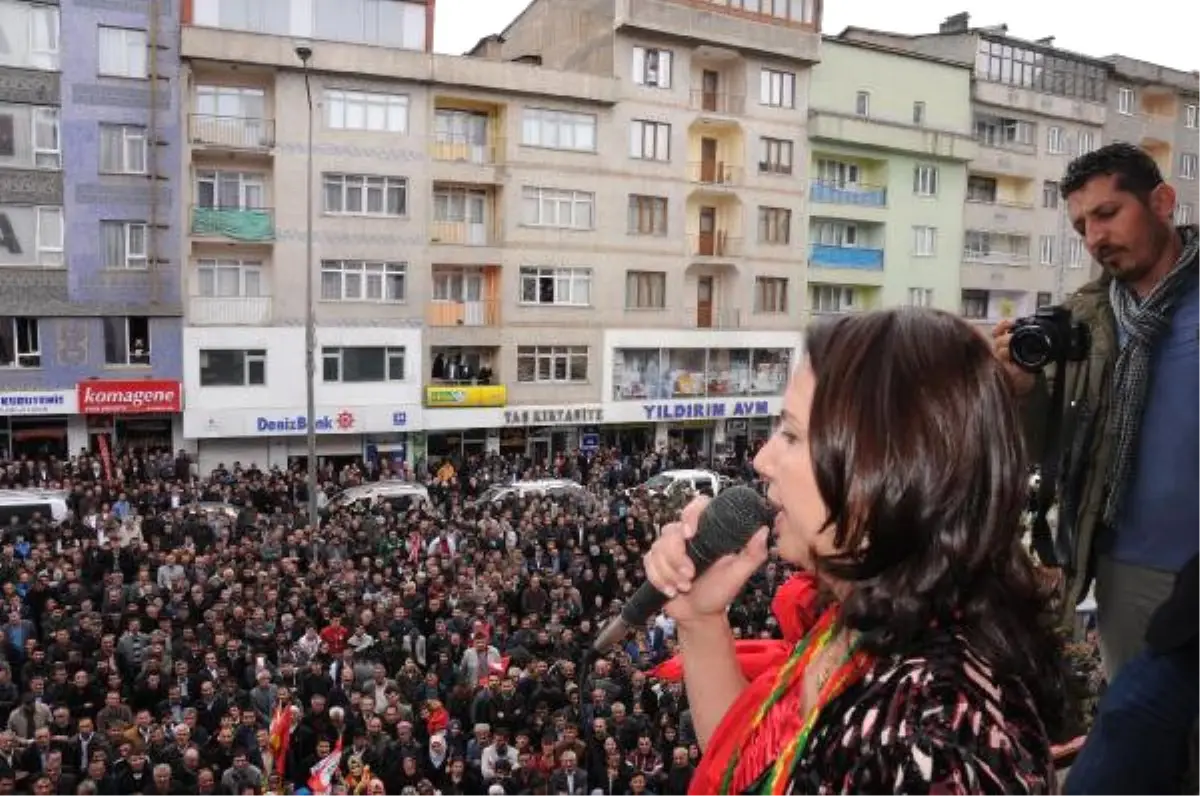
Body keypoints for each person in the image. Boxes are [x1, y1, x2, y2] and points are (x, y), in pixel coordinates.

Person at [643, 308, 1067, 794]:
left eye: (793, 435)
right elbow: (757, 767)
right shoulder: (864, 623)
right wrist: (700, 619)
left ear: (888, 469)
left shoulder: (935, 741)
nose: (762, 460)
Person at [992, 142, 1200, 681]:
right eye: (1082, 225)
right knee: (1146, 746)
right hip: (1126, 571)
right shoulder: (1083, 317)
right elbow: (1047, 446)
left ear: (1162, 202)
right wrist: (1020, 390)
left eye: (1107, 214)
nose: (1095, 238)